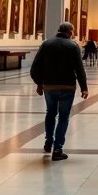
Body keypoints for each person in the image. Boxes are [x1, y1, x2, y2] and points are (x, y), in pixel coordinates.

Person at [30, 22, 88, 161]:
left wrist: (39, 83)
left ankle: (48, 141)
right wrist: (84, 87)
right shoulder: (73, 46)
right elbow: (79, 69)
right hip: (67, 87)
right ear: (70, 31)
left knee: (50, 113)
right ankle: (58, 149)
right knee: (63, 117)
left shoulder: (46, 44)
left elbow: (35, 67)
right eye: (73, 31)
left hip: (49, 86)